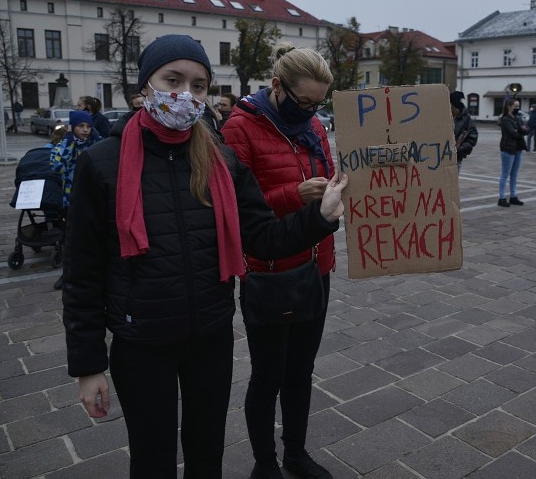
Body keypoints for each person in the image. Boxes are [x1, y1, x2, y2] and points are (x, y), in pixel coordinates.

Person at [62, 35, 347, 479]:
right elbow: (82, 272)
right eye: (172, 80)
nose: (185, 94)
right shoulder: (102, 163)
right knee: (153, 460)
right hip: (142, 342)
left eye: (198, 85)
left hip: (210, 337)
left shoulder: (221, 159)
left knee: (206, 455)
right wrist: (88, 365)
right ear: (145, 86)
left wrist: (319, 218)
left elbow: (262, 237)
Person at [221, 45, 336, 479]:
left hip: (316, 265)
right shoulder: (240, 129)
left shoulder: (312, 127)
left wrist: (336, 192)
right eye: (303, 102)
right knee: (267, 376)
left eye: (317, 103)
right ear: (277, 86)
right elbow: (236, 210)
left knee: (301, 372)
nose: (310, 111)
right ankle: (264, 463)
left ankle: (296, 453)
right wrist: (296, 195)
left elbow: (325, 178)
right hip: (269, 272)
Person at [51, 110, 101, 209]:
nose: (85, 130)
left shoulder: (93, 145)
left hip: (93, 198)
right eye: (81, 126)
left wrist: (97, 140)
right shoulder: (62, 146)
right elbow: (58, 167)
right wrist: (68, 142)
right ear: (72, 127)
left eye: (88, 126)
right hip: (71, 199)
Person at [450, 91, 478, 170]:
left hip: (456, 158)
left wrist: (461, 148)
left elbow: (473, 136)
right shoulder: (444, 117)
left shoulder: (466, 118)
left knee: (452, 181)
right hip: (442, 157)